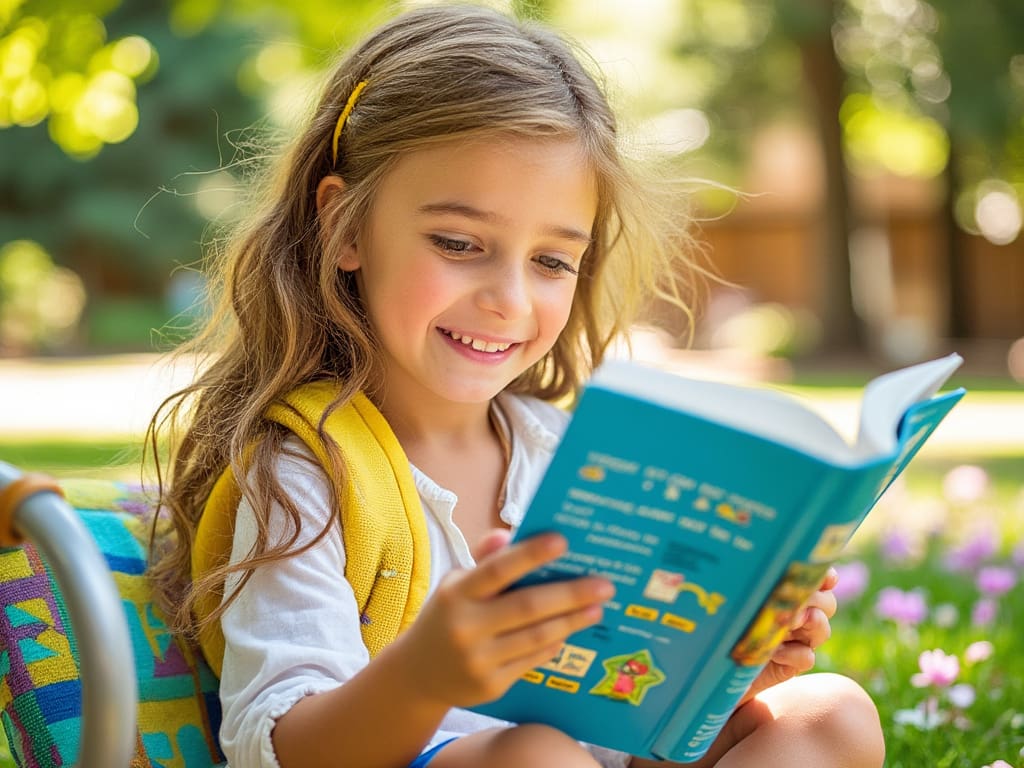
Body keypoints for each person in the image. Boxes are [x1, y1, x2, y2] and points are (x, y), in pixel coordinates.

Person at [147, 5, 885, 768]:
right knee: (534, 756)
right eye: (460, 244)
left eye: (552, 261)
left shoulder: (569, 455)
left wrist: (711, 680)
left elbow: (617, 724)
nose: (511, 298)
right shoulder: (305, 474)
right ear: (345, 227)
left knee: (831, 715)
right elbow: (283, 748)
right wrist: (425, 675)